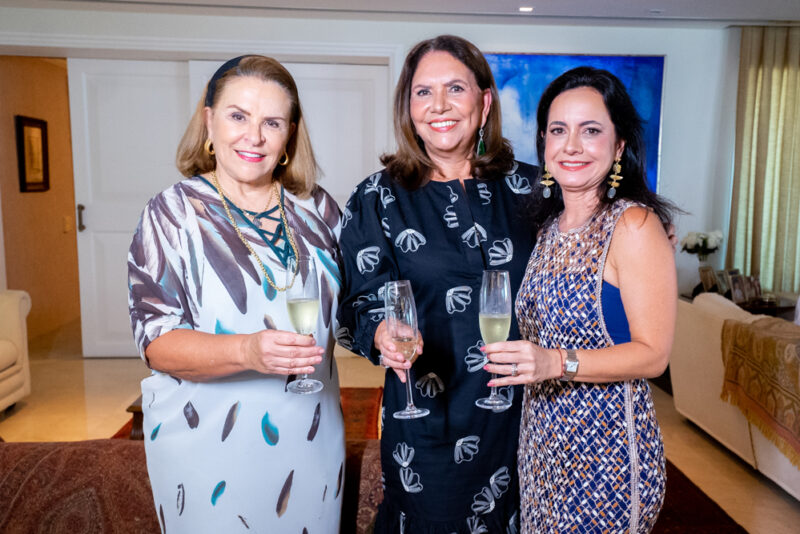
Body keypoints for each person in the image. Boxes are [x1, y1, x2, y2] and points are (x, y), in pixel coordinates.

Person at [127, 55, 344, 533]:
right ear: (209, 119)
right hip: (208, 449)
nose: (255, 137)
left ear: (290, 134)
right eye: (238, 116)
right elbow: (156, 342)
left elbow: (348, 314)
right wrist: (248, 349)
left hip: (312, 437)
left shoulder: (319, 210)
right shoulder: (171, 215)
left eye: (272, 122)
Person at [337, 35, 537, 533]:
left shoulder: (536, 190)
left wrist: (642, 223)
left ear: (484, 101)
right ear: (408, 107)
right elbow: (358, 303)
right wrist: (379, 334)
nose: (439, 106)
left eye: (455, 88)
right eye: (423, 92)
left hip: (530, 416)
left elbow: (601, 225)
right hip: (427, 418)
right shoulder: (378, 197)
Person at [483, 66, 677, 532]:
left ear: (619, 146)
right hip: (543, 446)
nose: (571, 145)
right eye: (558, 130)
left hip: (606, 455)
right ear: (544, 145)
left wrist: (557, 363)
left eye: (591, 131)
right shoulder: (548, 227)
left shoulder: (633, 225)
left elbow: (654, 356)